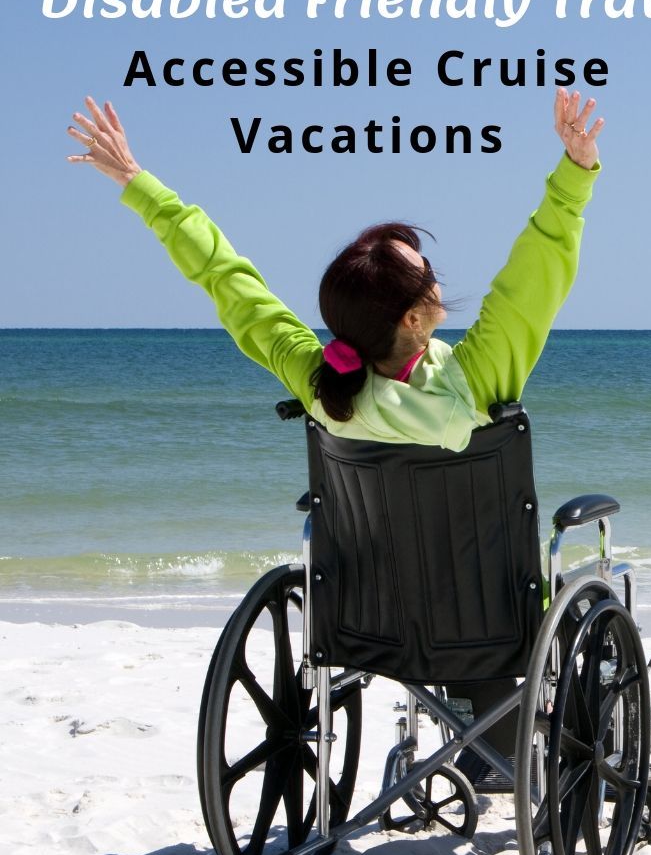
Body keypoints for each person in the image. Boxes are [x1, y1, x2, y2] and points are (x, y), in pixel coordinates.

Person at [67, 90, 603, 774]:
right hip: (492, 617)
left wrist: (139, 185)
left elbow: (227, 279)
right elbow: (538, 269)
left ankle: (472, 733)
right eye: (425, 275)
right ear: (414, 317)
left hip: (368, 621)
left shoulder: (317, 386)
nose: (436, 280)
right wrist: (574, 170)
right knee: (591, 591)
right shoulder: (477, 380)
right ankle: (545, 736)